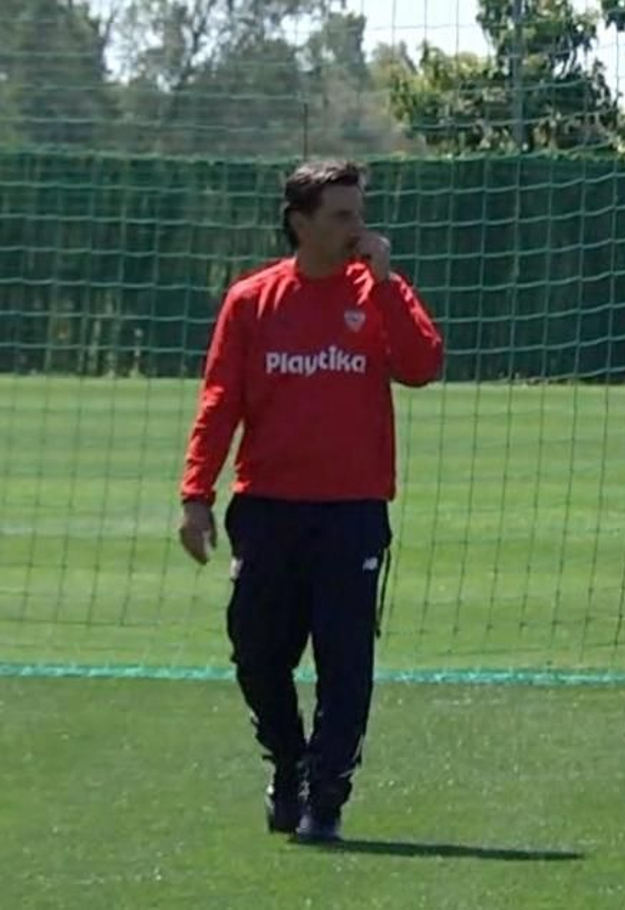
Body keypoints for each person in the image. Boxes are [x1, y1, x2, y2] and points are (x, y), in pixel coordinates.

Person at [178, 159, 444, 843]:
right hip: (267, 508)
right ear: (301, 223)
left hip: (352, 512)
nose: (358, 227)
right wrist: (196, 495)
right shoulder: (252, 301)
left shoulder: (378, 289)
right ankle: (288, 761)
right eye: (342, 215)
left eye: (359, 212)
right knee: (256, 651)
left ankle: (326, 794)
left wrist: (384, 287)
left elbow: (421, 366)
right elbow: (219, 401)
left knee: (345, 658)